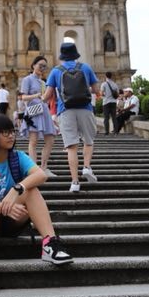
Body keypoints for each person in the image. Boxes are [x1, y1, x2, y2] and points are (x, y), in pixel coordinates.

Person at [0, 114, 73, 293]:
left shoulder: (17, 157)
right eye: (5, 132)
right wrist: (2, 207)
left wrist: (16, 189)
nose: (11, 136)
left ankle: (50, 243)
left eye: (12, 131)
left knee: (30, 190)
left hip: (14, 219)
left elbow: (41, 175)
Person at [43, 42, 100, 193]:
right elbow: (96, 89)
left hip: (65, 110)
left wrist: (39, 99)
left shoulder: (56, 71)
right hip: (85, 109)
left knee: (71, 147)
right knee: (88, 141)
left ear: (62, 56)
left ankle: (75, 182)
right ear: (76, 54)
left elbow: (48, 96)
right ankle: (87, 167)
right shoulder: (85, 67)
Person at [19, 55, 58, 178]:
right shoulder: (27, 79)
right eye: (40, 65)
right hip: (33, 112)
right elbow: (23, 97)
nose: (42, 68)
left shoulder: (43, 82)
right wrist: (36, 95)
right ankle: (34, 169)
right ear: (33, 65)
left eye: (44, 66)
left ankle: (44, 167)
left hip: (44, 111)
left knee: (50, 140)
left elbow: (45, 98)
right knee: (33, 141)